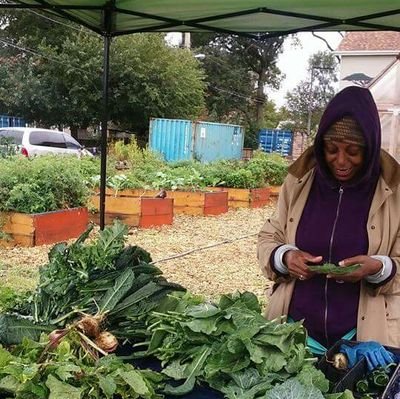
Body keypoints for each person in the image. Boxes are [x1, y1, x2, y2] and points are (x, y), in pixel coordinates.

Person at [257, 86, 400, 355]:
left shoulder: (394, 190)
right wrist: (285, 257)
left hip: (360, 339)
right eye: (331, 149)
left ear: (369, 148)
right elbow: (269, 236)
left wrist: (378, 268)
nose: (341, 161)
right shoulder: (299, 181)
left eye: (353, 151)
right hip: (294, 333)